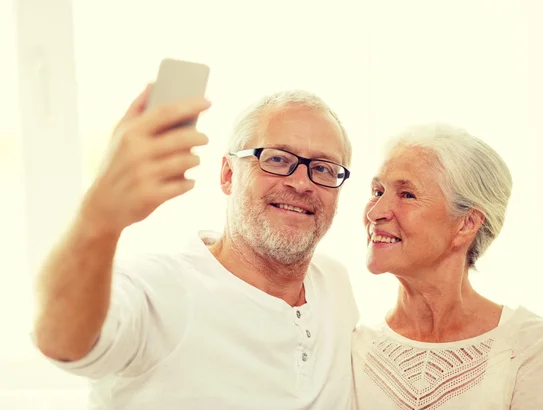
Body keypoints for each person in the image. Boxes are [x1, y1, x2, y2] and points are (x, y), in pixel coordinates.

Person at [33, 85, 359, 410]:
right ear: (228, 174)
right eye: (276, 159)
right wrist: (99, 216)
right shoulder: (160, 290)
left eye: (323, 168)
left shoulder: (335, 282)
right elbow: (61, 341)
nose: (301, 183)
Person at [352, 124, 543, 409]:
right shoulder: (352, 347)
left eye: (407, 195)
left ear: (466, 224)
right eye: (377, 191)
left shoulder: (534, 348)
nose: (375, 212)